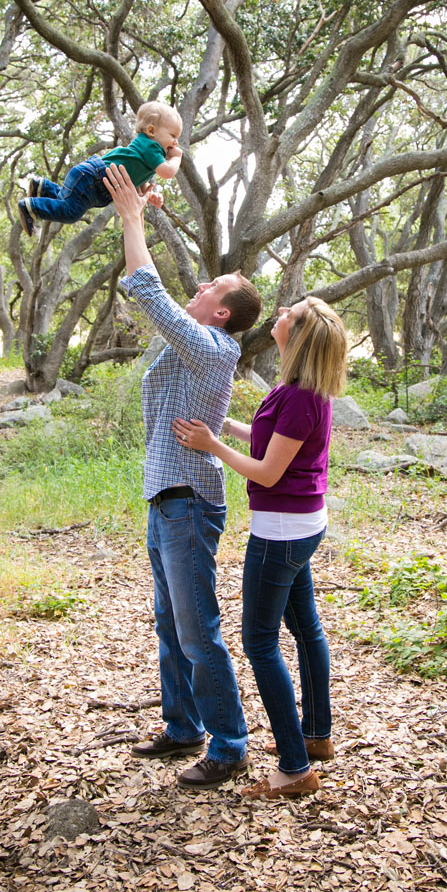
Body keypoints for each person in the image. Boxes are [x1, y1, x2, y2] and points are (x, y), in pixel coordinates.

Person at [102, 161, 262, 789]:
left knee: (197, 629)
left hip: (188, 503)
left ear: (220, 315)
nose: (198, 288)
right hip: (166, 499)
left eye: (210, 287)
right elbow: (156, 293)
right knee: (172, 622)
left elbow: (148, 292)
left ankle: (230, 745)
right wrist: (147, 213)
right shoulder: (196, 341)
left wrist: (132, 219)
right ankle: (183, 726)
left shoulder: (212, 347)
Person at [172, 295, 348, 800]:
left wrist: (212, 447)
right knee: (306, 627)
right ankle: (315, 736)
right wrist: (228, 428)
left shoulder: (298, 395)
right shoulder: (301, 388)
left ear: (299, 334)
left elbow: (268, 472)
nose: (280, 314)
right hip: (303, 522)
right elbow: (278, 447)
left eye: (289, 313)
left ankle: (294, 769)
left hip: (281, 531)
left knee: (259, 643)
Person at [17, 101, 182, 236]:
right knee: (70, 212)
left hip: (90, 176)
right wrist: (177, 157)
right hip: (94, 180)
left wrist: (149, 194)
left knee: (65, 201)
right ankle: (31, 207)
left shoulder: (145, 149)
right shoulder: (152, 147)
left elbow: (135, 181)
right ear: (152, 131)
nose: (176, 142)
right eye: (173, 136)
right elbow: (167, 172)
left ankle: (42, 187)